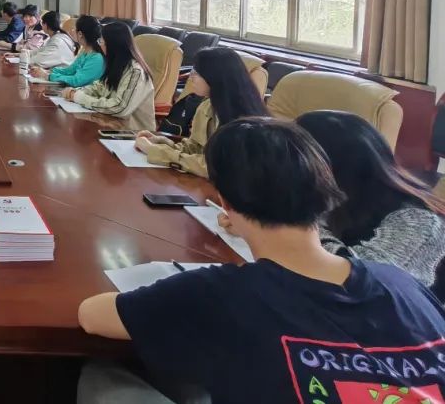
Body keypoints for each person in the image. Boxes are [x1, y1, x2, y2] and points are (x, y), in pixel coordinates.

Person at [76, 117, 445, 404]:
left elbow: (91, 315)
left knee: (101, 375)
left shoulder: (219, 293)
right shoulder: (403, 285)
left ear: (225, 203)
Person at [298, 109, 445, 290]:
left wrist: (300, 221)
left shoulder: (420, 221)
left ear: (327, 168)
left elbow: (362, 283)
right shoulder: (335, 203)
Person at [134, 47, 268, 178]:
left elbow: (213, 167)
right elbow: (196, 148)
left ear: (215, 77)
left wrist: (156, 152)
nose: (191, 77)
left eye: (197, 72)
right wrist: (161, 143)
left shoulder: (242, 120)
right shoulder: (206, 105)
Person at [64, 22, 154, 130]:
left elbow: (119, 108)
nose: (100, 45)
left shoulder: (136, 72)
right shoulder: (116, 65)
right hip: (110, 125)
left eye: (101, 41)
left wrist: (79, 97)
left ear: (112, 45)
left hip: (132, 133)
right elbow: (99, 87)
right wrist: (76, 92)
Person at [32, 15, 103, 87]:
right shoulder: (85, 53)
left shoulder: (97, 58)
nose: (72, 31)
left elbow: (76, 81)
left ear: (80, 34)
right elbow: (69, 70)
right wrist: (48, 72)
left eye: (75, 29)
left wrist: (49, 76)